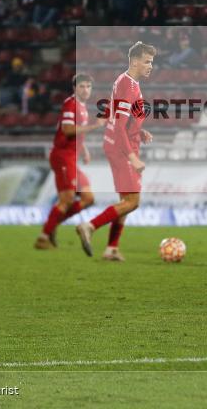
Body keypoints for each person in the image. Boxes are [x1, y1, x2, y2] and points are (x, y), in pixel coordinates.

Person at [76, 42, 156, 261]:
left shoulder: (128, 83)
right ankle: (89, 226)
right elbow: (120, 126)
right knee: (132, 202)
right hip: (122, 148)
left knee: (125, 202)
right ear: (135, 61)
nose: (151, 66)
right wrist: (132, 158)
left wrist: (139, 131)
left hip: (121, 142)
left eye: (152, 62)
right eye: (147, 62)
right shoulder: (128, 86)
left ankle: (111, 248)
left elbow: (122, 119)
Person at [34, 74, 106, 250]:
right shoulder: (71, 104)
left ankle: (52, 226)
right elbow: (67, 130)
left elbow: (77, 133)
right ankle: (43, 238)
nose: (85, 90)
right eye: (82, 86)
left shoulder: (82, 107)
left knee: (88, 198)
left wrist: (84, 149)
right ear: (74, 88)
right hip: (62, 156)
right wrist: (95, 126)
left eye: (88, 86)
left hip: (71, 157)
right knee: (66, 199)